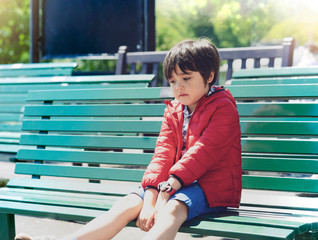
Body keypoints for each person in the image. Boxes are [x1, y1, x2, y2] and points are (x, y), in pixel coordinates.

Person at [15, 38, 242, 240]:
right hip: (172, 185)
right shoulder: (174, 110)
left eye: (186, 78)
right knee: (127, 204)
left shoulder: (223, 107)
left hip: (211, 189)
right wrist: (151, 197)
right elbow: (163, 154)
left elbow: (203, 152)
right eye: (172, 81)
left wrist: (167, 189)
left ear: (209, 75)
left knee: (172, 209)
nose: (178, 86)